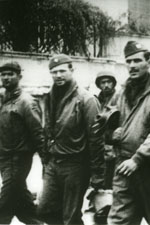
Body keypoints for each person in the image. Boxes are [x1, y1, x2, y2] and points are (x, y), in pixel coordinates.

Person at [107, 41, 150, 225]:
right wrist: (111, 134)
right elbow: (107, 120)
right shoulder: (122, 93)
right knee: (118, 222)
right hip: (124, 167)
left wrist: (138, 159)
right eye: (128, 61)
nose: (132, 65)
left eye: (137, 60)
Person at [37, 54, 105, 225]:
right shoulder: (50, 97)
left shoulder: (86, 99)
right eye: (54, 72)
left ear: (72, 70)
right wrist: (46, 162)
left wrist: (97, 174)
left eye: (62, 71)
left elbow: (96, 139)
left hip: (75, 165)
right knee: (46, 210)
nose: (58, 75)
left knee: (71, 216)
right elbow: (46, 131)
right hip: (53, 163)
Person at [0, 62, 44, 224]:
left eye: (10, 74)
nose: (6, 77)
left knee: (5, 203)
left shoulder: (27, 102)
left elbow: (38, 133)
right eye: (3, 74)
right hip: (5, 159)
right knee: (21, 203)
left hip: (18, 158)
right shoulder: (4, 100)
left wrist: (46, 161)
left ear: (19, 77)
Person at [87, 70, 118, 223]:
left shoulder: (118, 98)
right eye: (102, 82)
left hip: (113, 148)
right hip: (98, 146)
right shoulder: (96, 100)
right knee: (98, 180)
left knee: (110, 181)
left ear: (113, 83)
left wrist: (110, 138)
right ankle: (101, 208)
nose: (106, 85)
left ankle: (108, 210)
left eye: (108, 82)